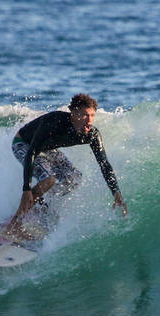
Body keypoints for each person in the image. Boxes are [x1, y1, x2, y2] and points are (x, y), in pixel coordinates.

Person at [10, 93, 127, 229]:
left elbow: (104, 164)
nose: (89, 120)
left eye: (92, 115)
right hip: (24, 144)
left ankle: (43, 208)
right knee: (48, 179)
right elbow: (32, 152)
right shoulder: (54, 121)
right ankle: (16, 222)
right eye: (84, 115)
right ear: (73, 113)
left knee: (74, 178)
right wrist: (26, 189)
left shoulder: (92, 134)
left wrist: (116, 192)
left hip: (48, 148)